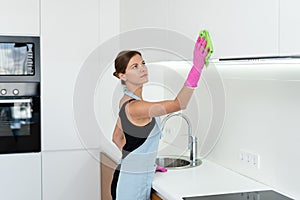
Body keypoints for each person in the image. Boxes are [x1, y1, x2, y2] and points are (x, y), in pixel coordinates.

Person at [111, 36, 209, 200]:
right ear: (123, 76)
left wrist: (143, 163)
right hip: (130, 186)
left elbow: (116, 137)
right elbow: (179, 104)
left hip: (128, 176)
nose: (142, 68)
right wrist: (196, 68)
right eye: (134, 67)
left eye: (143, 63)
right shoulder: (136, 107)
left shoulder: (126, 100)